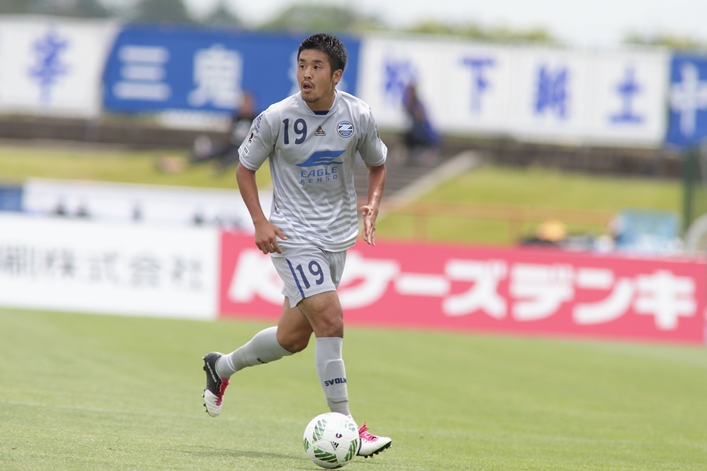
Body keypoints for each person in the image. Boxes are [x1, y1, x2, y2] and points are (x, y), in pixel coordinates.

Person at [201, 33, 392, 459]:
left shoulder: (357, 115)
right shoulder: (275, 118)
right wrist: (260, 222)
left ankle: (221, 366)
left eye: (316, 66)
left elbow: (378, 164)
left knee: (292, 338)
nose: (306, 73)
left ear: (336, 75)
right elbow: (244, 169)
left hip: (337, 237)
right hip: (292, 236)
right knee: (330, 319)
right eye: (302, 65)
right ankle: (349, 429)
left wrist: (373, 205)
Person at [156, 91, 258, 175]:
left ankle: (219, 167)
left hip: (242, 150)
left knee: (233, 158)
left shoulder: (256, 120)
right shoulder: (236, 118)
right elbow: (229, 137)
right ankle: (176, 163)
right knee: (209, 151)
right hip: (230, 147)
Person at [402, 82, 441, 166]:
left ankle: (425, 155)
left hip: (423, 134)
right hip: (416, 132)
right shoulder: (412, 104)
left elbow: (421, 117)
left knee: (411, 137)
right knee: (408, 137)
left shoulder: (416, 104)